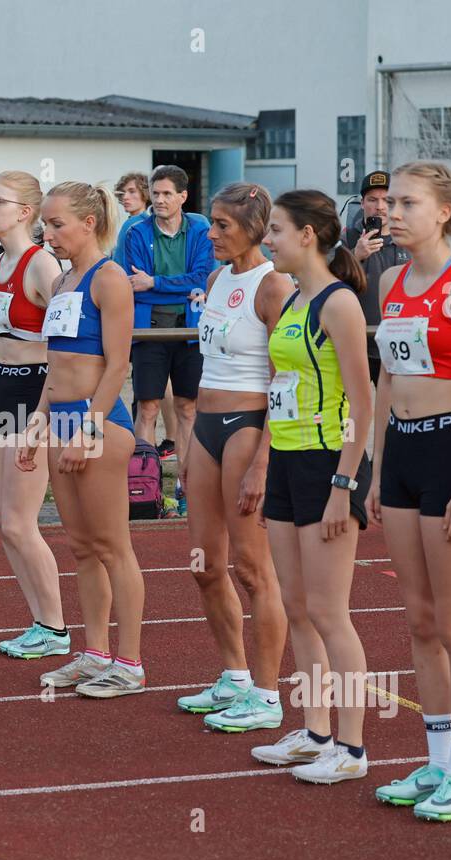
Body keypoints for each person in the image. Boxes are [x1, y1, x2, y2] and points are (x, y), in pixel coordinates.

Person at [368, 162, 451, 821]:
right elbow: (388, 380)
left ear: (443, 212)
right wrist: (374, 464)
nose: (391, 212)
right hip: (402, 455)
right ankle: (436, 761)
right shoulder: (390, 280)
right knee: (418, 620)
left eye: (407, 202)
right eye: (389, 202)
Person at [249, 189, 374, 782]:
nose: (266, 239)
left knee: (329, 611)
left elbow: (363, 401)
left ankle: (350, 749)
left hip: (329, 464)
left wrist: (344, 483)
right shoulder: (294, 297)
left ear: (307, 235)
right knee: (297, 606)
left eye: (274, 229)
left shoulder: (337, 303)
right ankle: (315, 729)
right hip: (288, 461)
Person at [18, 181, 146, 698]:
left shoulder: (109, 278)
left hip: (100, 424)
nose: (47, 233)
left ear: (89, 223)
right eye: (44, 224)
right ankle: (94, 653)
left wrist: (89, 428)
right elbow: (58, 364)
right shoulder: (64, 280)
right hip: (62, 422)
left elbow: (117, 365)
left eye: (56, 224)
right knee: (80, 547)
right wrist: (39, 419)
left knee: (114, 547)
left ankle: (130, 663)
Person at [176, 182, 290, 732]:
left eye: (222, 225)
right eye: (211, 224)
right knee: (203, 563)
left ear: (255, 228)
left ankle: (268, 696)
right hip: (205, 425)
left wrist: (264, 461)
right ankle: (235, 676)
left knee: (251, 568)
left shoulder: (275, 286)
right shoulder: (217, 278)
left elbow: (284, 377)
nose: (212, 234)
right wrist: (188, 440)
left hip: (248, 426)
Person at [0, 171, 69, 658]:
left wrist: (46, 410)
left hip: (32, 396)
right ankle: (39, 622)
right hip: (0, 391)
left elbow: (67, 342)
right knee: (3, 520)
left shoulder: (41, 264)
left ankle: (56, 626)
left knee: (21, 523)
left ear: (25, 212)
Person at [124, 165, 215, 493]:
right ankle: (145, 485)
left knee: (188, 407)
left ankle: (187, 486)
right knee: (147, 406)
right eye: (155, 193)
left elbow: (203, 278)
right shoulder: (137, 231)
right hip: (150, 328)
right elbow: (135, 284)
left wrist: (156, 282)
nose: (159, 200)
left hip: (190, 330)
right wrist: (166, 285)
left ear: (183, 196)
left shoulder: (201, 228)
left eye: (166, 194)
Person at [115, 170, 177, 460]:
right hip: (140, 312)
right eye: (122, 194)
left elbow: (195, 279)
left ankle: (169, 440)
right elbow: (131, 279)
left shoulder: (145, 228)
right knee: (154, 390)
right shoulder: (132, 228)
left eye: (131, 192)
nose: (125, 198)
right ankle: (152, 458)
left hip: (154, 316)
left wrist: (153, 283)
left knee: (162, 389)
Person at [341, 170, 408, 385]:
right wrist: (355, 256)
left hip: (398, 343)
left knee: (394, 413)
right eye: (372, 200)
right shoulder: (346, 238)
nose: (379, 206)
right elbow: (329, 285)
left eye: (386, 200)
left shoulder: (410, 239)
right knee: (352, 414)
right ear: (362, 203)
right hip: (355, 344)